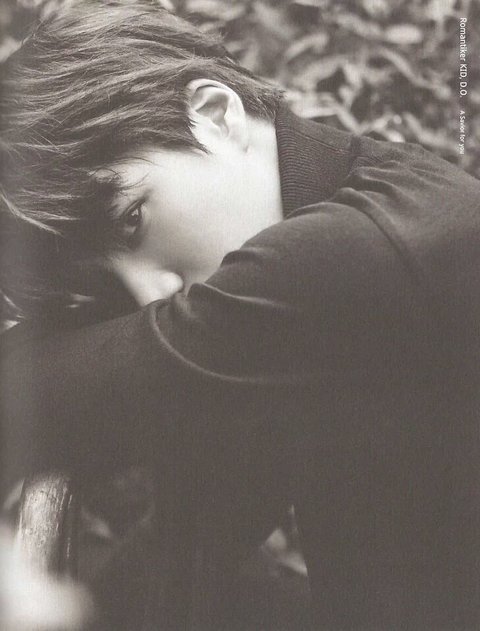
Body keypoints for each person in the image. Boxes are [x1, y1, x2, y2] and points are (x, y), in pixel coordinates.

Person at [1, 1, 480, 628]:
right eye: (107, 280)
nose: (148, 298)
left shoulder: (349, 254)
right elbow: (195, 543)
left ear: (214, 114)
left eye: (132, 219)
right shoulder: (357, 204)